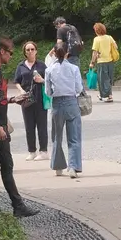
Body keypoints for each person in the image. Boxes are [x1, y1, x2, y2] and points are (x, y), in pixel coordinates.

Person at [0, 36, 40, 217]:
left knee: (7, 165)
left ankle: (18, 206)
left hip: (1, 125)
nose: (12, 56)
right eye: (10, 52)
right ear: (1, 51)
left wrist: (13, 99)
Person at [45, 40, 85, 179]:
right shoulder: (74, 69)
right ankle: (73, 167)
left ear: (54, 54)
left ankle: (58, 166)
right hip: (71, 102)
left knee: (57, 136)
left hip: (57, 103)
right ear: (67, 53)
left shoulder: (49, 70)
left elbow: (48, 91)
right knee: (74, 137)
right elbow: (79, 88)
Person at [14, 40, 49, 159]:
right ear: (24, 52)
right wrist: (21, 90)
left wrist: (42, 80)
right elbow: (17, 81)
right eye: (27, 50)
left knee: (42, 125)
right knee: (29, 126)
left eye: (32, 49)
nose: (30, 51)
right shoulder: (21, 66)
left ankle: (43, 151)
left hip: (39, 98)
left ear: (36, 51)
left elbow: (49, 80)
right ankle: (32, 151)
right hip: (26, 99)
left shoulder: (41, 65)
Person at [90, 22, 120, 102]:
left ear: (96, 31)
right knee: (109, 79)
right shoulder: (109, 37)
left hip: (101, 62)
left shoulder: (97, 39)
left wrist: (92, 62)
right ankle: (102, 94)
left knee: (103, 79)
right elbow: (116, 47)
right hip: (110, 61)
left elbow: (95, 52)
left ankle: (109, 96)